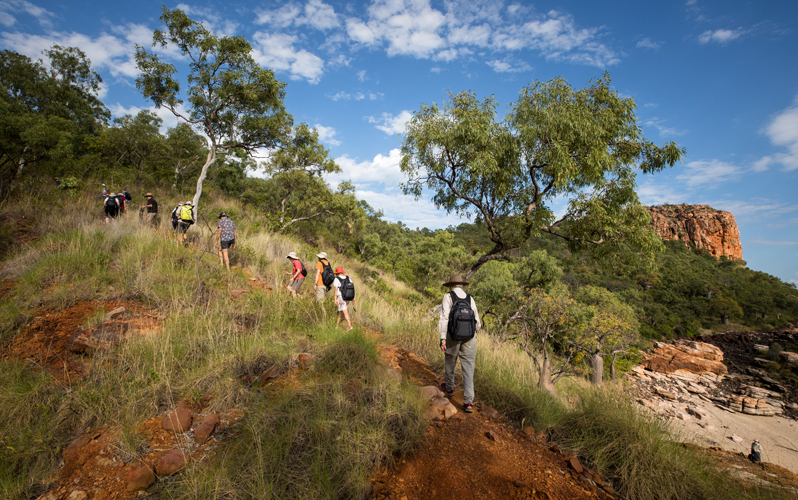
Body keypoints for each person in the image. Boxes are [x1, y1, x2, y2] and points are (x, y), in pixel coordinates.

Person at [438, 274, 481, 413]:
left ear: (451, 285)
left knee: (450, 361)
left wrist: (442, 338)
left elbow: (444, 318)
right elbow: (477, 322)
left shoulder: (448, 297)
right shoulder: (470, 298)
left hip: (453, 335)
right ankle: (468, 402)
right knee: (468, 369)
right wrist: (470, 333)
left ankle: (450, 388)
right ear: (462, 285)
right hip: (470, 337)